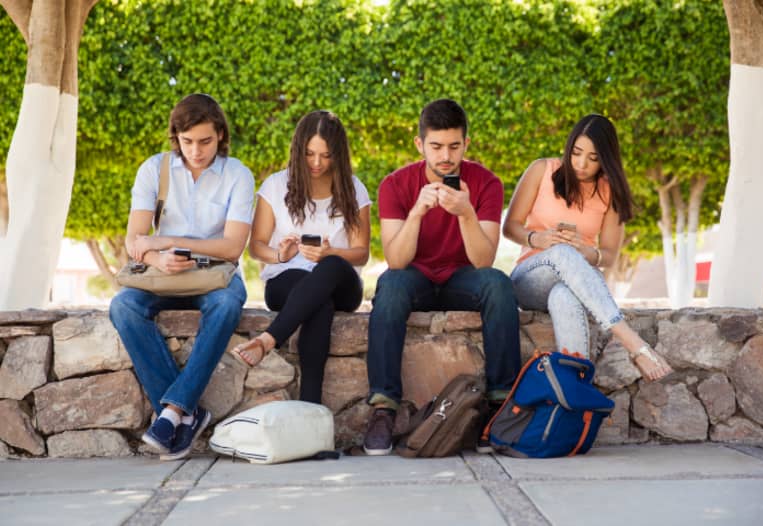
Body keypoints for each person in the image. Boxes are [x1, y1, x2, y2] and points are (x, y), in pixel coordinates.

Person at [363, 99, 521, 456]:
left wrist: (465, 213)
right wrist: (417, 212)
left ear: (467, 143)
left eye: (453, 146)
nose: (445, 156)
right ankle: (383, 407)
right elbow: (396, 259)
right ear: (420, 145)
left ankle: (499, 405)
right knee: (389, 286)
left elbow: (483, 261)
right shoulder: (395, 185)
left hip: (463, 278)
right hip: (415, 275)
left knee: (498, 284)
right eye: (436, 147)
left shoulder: (487, 184)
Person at [109, 93, 254, 460]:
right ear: (176, 137)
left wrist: (168, 240)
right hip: (164, 274)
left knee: (226, 304)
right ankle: (186, 413)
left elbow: (233, 247)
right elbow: (133, 241)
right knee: (123, 306)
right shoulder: (153, 170)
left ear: (220, 134)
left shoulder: (237, 174)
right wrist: (157, 257)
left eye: (205, 141)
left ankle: (171, 412)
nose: (196, 150)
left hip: (214, 275)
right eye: (187, 142)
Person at [503, 113, 672, 381]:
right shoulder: (542, 170)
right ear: (569, 148)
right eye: (577, 153)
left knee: (564, 296)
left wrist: (585, 252)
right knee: (560, 252)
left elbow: (609, 256)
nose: (582, 164)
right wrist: (538, 239)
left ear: (605, 160)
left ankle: (574, 387)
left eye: (593, 158)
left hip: (574, 284)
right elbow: (510, 226)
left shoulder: (610, 193)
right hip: (530, 279)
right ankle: (633, 344)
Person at [230, 110, 370, 404]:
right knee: (318, 302)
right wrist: (280, 254)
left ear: (339, 155)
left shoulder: (354, 189)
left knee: (329, 267)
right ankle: (311, 408)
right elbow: (256, 247)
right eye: (309, 154)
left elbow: (361, 254)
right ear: (298, 150)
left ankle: (268, 340)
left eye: (326, 155)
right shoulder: (275, 186)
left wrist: (331, 252)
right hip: (287, 278)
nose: (317, 163)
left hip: (341, 281)